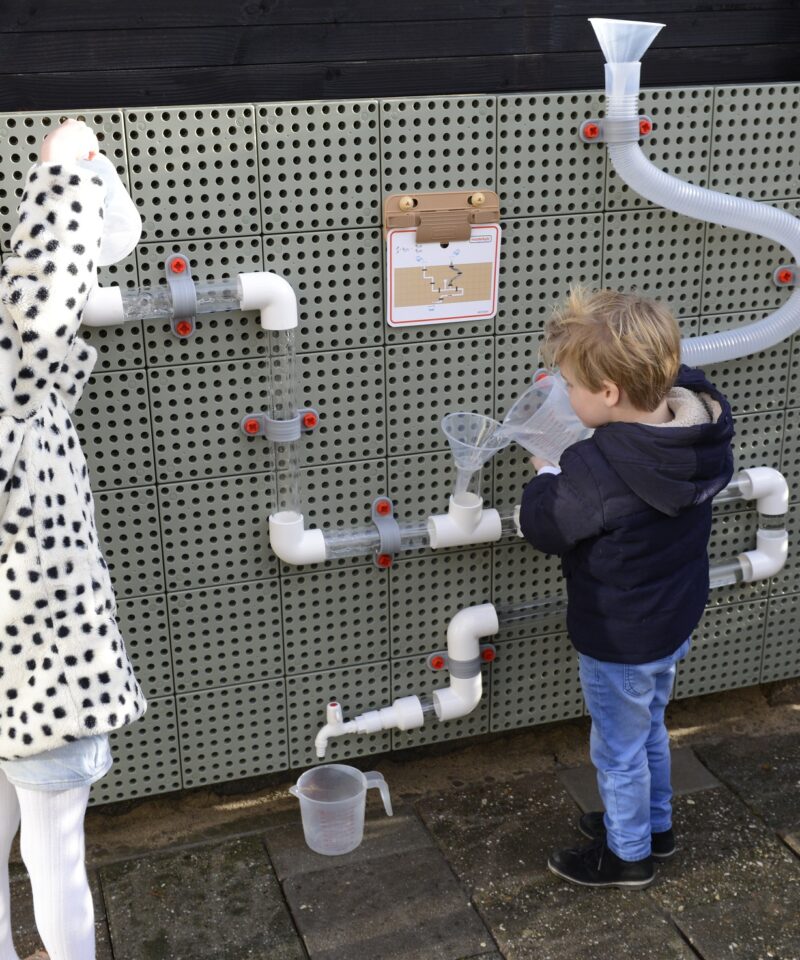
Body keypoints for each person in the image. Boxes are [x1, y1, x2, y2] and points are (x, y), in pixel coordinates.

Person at [518, 288, 734, 889]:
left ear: (609, 394)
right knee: (649, 729)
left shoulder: (598, 470)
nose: (563, 393)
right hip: (674, 617)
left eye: (569, 385)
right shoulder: (700, 424)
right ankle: (653, 827)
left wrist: (545, 470)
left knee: (617, 750)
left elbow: (545, 526)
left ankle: (628, 856)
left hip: (619, 636)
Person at [0, 119, 146, 959]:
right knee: (55, 857)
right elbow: (46, 294)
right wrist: (67, 161)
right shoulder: (15, 372)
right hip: (45, 664)